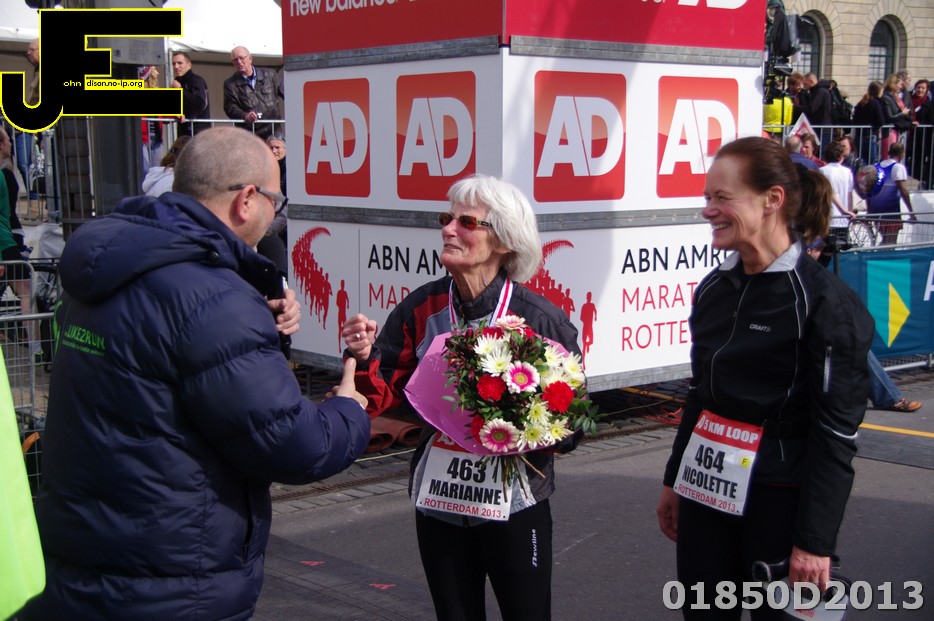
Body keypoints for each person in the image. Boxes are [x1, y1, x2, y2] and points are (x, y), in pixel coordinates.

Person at [19, 127, 371, 620]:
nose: (275, 215)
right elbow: (293, 444)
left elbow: (161, 371)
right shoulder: (214, 297)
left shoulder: (112, 264)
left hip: (80, 554)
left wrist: (259, 329)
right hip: (171, 577)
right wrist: (349, 412)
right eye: (276, 200)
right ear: (246, 200)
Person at [342, 174, 581, 621]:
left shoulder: (540, 320)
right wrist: (363, 356)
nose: (449, 229)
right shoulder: (422, 307)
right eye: (446, 219)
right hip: (442, 500)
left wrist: (520, 424)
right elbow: (382, 394)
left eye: (467, 222)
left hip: (515, 503)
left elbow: (573, 426)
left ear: (504, 241)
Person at [656, 136, 874, 620]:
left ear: (772, 199)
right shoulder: (715, 287)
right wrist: (674, 480)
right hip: (707, 492)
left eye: (722, 197)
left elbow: (836, 433)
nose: (708, 209)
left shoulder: (826, 304)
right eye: (707, 196)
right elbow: (701, 395)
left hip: (779, 499)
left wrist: (814, 541)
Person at [796, 166, 922, 415]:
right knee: (847, 340)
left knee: (851, 340)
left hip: (807, 300)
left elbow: (809, 267)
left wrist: (821, 252)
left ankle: (887, 396)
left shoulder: (804, 230)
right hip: (795, 302)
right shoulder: (786, 229)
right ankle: (887, 396)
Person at [0, 127, 39, 361]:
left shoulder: (5, 173)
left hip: (6, 238)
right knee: (26, 290)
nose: (11, 144)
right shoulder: (2, 176)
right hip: (4, 241)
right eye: (7, 140)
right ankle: (36, 346)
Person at [224, 46, 284, 140]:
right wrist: (245, 116)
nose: (239, 62)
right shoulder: (230, 84)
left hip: (273, 130)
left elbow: (288, 94)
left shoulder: (270, 75)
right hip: (250, 133)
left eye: (241, 58)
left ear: (250, 59)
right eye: (235, 60)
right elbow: (230, 107)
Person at [867, 142, 915, 245]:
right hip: (891, 214)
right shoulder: (898, 168)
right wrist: (911, 212)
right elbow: (903, 191)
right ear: (901, 154)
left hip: (876, 213)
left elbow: (868, 190)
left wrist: (869, 210)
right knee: (890, 243)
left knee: (886, 241)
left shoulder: (875, 167)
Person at [819, 141, 856, 238]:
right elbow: (849, 196)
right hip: (843, 220)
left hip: (828, 219)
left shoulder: (822, 171)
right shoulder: (848, 172)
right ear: (841, 156)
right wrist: (849, 212)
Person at [170, 51, 210, 136]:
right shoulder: (177, 81)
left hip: (198, 130)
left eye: (180, 63)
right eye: (174, 64)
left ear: (189, 65)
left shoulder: (196, 80)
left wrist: (180, 90)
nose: (176, 66)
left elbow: (200, 103)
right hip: (184, 129)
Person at [139, 65, 165, 176]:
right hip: (141, 138)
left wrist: (178, 115)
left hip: (156, 137)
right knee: (144, 170)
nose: (158, 73)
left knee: (157, 171)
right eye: (155, 70)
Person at [852, 81, 885, 164]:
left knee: (860, 161)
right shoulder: (875, 103)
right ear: (878, 91)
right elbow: (880, 121)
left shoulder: (861, 102)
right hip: (870, 135)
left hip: (859, 135)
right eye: (882, 91)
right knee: (871, 162)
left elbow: (855, 119)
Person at [265, 133, 288, 243]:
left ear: (286, 150)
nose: (274, 151)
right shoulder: (265, 166)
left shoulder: (291, 167)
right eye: (271, 148)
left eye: (277, 147)